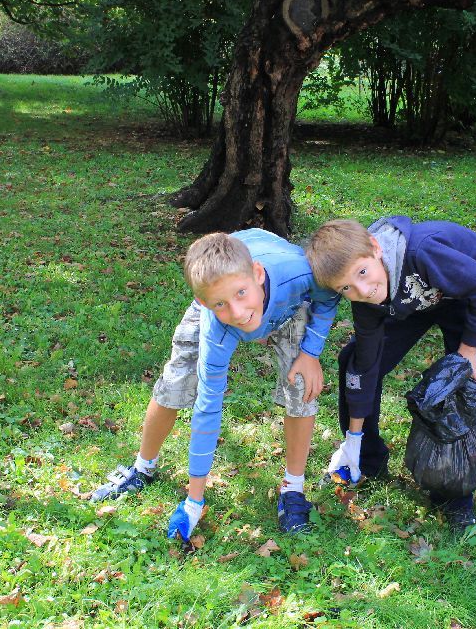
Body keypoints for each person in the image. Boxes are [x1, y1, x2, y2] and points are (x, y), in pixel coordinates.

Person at [91, 230, 339, 541]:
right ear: (203, 302)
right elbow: (208, 407)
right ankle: (142, 467)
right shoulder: (217, 326)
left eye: (240, 295)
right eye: (220, 304)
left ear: (258, 274)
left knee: (301, 386)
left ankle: (293, 489)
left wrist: (311, 353)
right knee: (176, 380)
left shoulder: (298, 273)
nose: (237, 313)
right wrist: (194, 501)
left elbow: (329, 294)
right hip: (227, 290)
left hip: (285, 302)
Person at [306, 217, 476, 531]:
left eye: (362, 272)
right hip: (417, 299)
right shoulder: (367, 299)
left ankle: (455, 497)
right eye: (346, 288)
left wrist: (468, 349)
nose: (362, 290)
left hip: (469, 295)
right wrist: (352, 439)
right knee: (352, 359)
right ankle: (365, 460)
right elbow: (366, 366)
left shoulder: (424, 251)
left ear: (375, 248)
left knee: (458, 388)